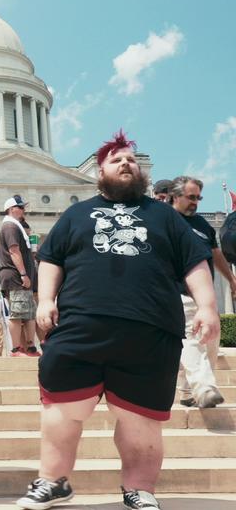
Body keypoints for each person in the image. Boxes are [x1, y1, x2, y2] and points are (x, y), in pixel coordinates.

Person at [16, 131, 218, 510]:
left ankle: (139, 489)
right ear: (100, 171)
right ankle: (52, 480)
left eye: (131, 159)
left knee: (140, 421)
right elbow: (51, 259)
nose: (126, 163)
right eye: (116, 159)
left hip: (151, 328)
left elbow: (194, 261)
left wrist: (207, 307)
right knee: (60, 412)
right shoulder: (76, 213)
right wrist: (45, 300)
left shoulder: (165, 216)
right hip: (79, 326)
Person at [168, 176, 236, 408]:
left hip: (205, 295)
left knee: (211, 341)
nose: (196, 202)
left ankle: (188, 392)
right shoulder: (164, 219)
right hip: (178, 291)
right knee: (192, 337)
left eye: (198, 197)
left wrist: (231, 278)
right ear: (174, 196)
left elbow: (216, 254)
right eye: (191, 197)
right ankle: (204, 386)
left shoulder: (203, 225)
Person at [0, 195, 38, 357]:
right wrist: (23, 274)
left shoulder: (15, 226)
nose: (23, 210)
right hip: (15, 276)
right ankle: (16, 349)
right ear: (11, 209)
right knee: (18, 313)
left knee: (27, 313)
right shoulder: (10, 226)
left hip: (18, 276)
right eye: (20, 207)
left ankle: (29, 347)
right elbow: (14, 251)